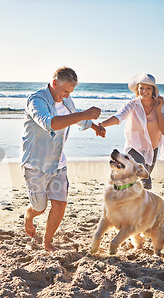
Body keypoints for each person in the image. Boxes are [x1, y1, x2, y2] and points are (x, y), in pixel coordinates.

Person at [21, 66, 105, 251]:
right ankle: (29, 215)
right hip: (36, 164)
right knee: (39, 208)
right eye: (65, 91)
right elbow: (50, 123)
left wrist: (94, 127)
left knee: (60, 204)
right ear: (54, 83)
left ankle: (47, 242)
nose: (67, 95)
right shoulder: (36, 101)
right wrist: (83, 114)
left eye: (70, 92)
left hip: (58, 163)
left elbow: (77, 118)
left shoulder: (66, 101)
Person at [98, 73, 164, 189]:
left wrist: (158, 110)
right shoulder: (132, 105)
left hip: (152, 149)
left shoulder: (163, 106)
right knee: (145, 180)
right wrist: (102, 125)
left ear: (153, 90)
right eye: (141, 88)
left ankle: (131, 200)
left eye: (148, 88)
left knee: (138, 180)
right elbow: (118, 117)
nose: (144, 91)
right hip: (134, 147)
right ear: (137, 89)